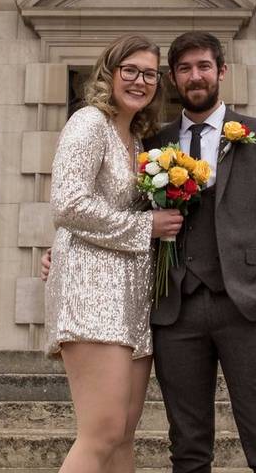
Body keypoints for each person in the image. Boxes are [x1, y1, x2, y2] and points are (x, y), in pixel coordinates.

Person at [44, 31, 256, 473]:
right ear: (175, 79)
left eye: (204, 66)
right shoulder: (154, 142)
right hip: (174, 312)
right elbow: (89, 203)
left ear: (221, 71)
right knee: (186, 447)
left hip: (249, 307)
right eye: (184, 68)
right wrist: (61, 252)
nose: (195, 76)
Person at [43, 33, 184, 473]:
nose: (140, 81)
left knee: (123, 436)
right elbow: (67, 203)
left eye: (149, 74)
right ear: (110, 72)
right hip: (91, 290)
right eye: (131, 71)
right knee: (101, 432)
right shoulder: (90, 123)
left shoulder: (140, 141)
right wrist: (147, 226)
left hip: (133, 295)